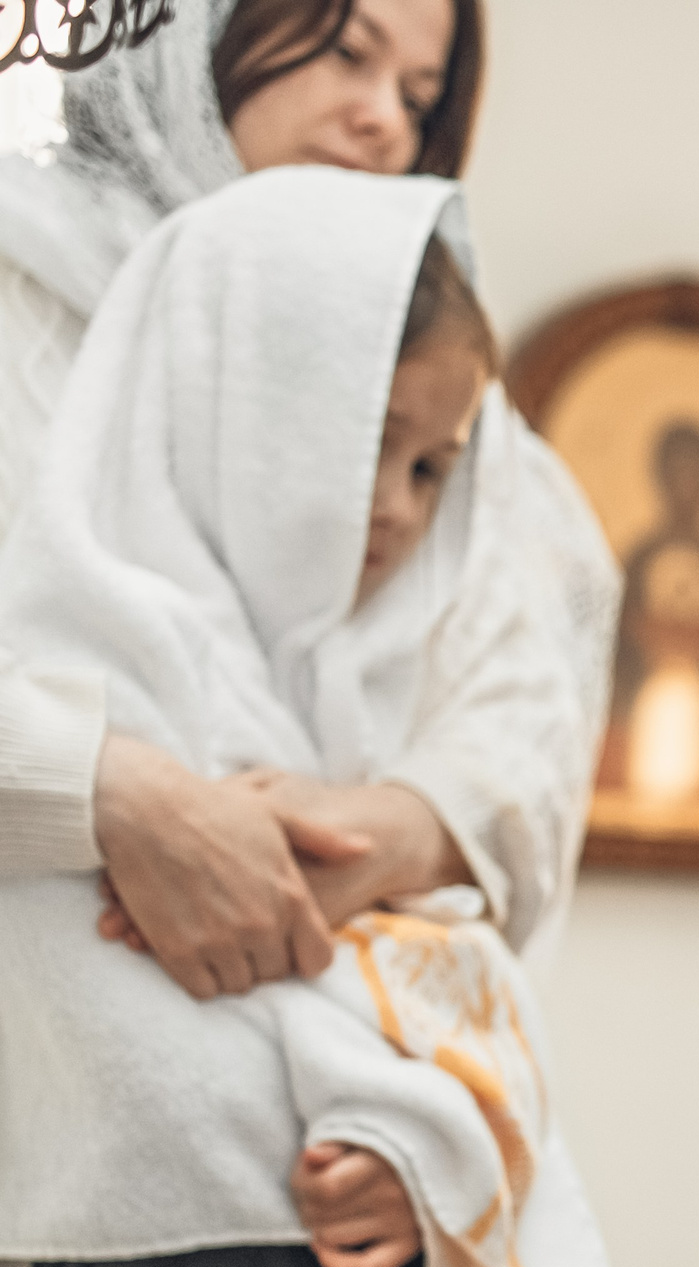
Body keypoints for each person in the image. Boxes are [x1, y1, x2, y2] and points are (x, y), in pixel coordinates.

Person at [0, 168, 612, 1267]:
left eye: (435, 467)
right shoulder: (68, 654)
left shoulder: (365, 691)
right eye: (367, 453)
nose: (401, 514)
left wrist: (428, 1143)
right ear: (230, 411)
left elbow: (463, 985)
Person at [0, 0, 605, 1012]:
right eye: (348, 54)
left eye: (419, 98)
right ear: (199, 38)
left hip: (330, 1080)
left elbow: (526, 702)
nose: (385, 124)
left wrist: (382, 830)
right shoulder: (22, 292)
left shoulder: (441, 395)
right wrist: (113, 795)